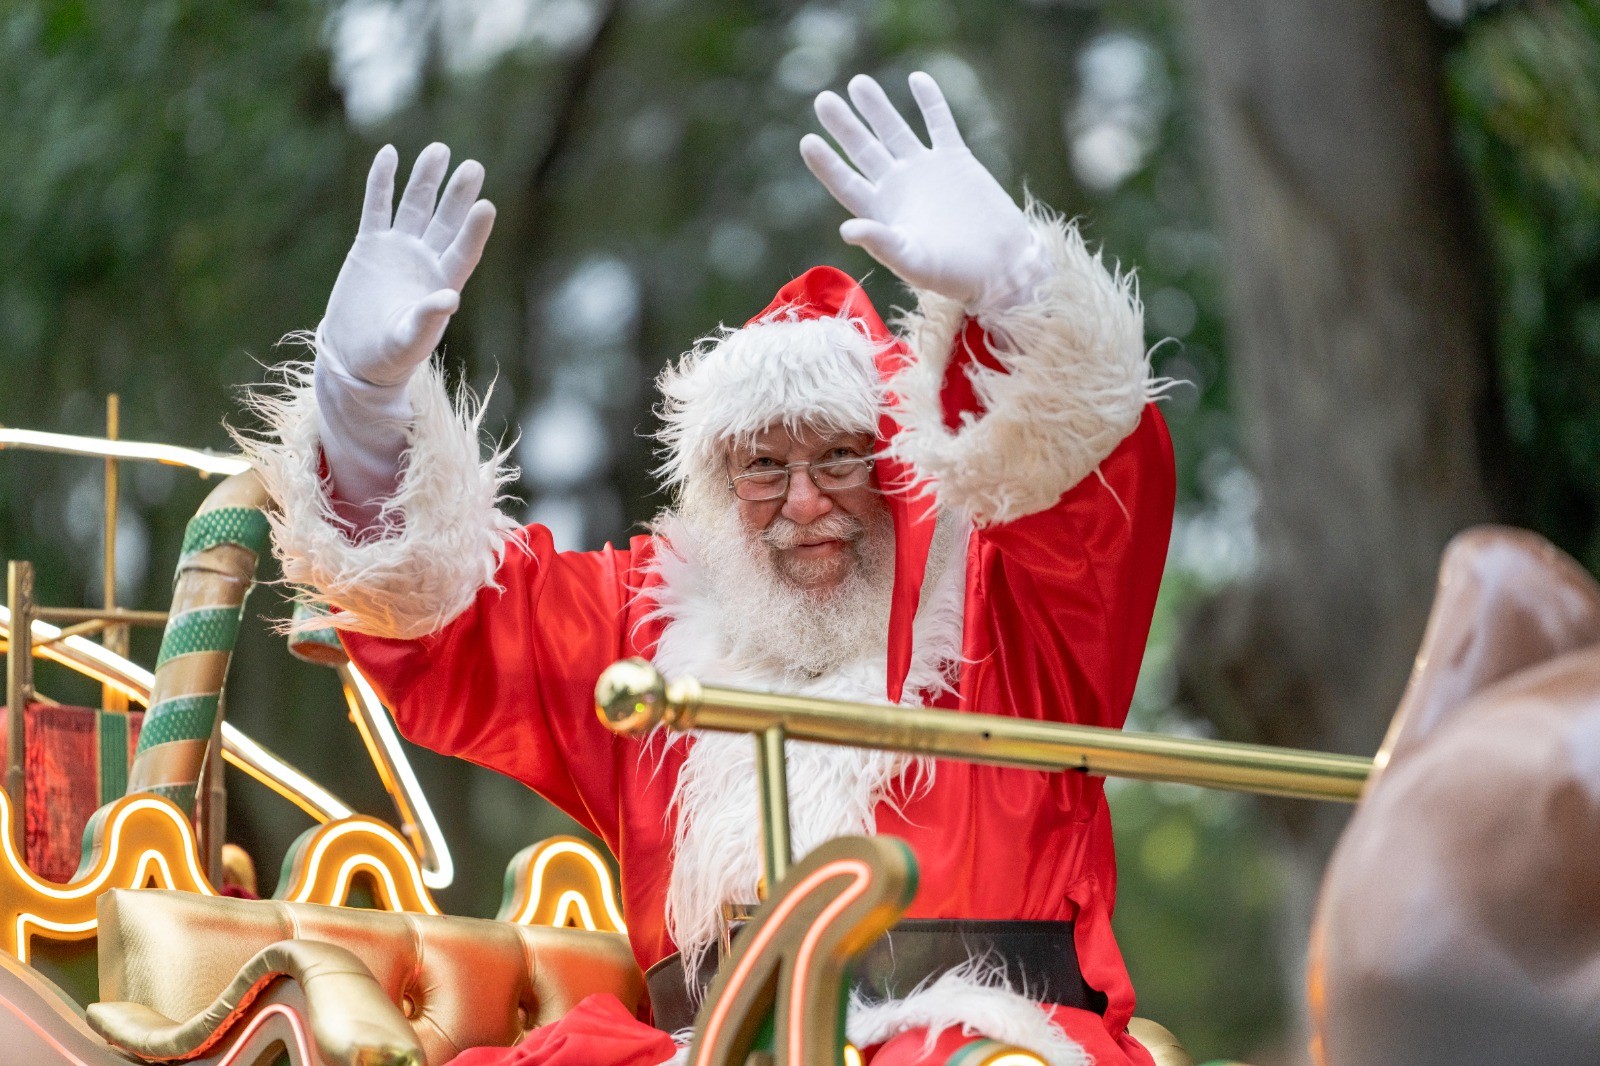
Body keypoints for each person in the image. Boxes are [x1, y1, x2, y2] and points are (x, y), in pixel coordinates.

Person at [239, 72, 1174, 1066]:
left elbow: (1089, 488)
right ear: (719, 489)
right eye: (762, 468)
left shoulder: (1004, 607)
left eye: (839, 459)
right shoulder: (651, 631)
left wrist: (1019, 292)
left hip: (978, 1046)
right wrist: (361, 406)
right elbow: (443, 616)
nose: (804, 502)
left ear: (900, 464)